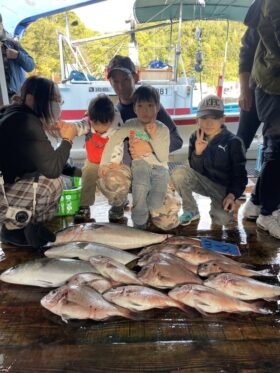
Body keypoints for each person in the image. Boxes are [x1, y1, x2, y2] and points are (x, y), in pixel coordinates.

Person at [99, 55, 183, 228]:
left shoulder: (151, 107)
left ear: (135, 77)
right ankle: (119, 203)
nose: (120, 86)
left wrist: (150, 147)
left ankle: (147, 205)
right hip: (128, 171)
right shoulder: (111, 110)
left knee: (168, 221)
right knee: (108, 179)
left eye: (125, 79)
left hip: (153, 169)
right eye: (115, 81)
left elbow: (177, 140)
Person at [0, 76, 78, 249]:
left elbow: (45, 158)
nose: (57, 105)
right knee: (52, 183)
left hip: (8, 188)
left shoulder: (20, 116)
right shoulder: (24, 121)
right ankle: (12, 228)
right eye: (53, 100)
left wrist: (81, 173)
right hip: (4, 194)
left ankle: (30, 226)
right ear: (31, 98)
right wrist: (68, 140)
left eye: (59, 100)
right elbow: (52, 169)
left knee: (56, 178)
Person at [171, 94, 247, 226]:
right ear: (197, 120)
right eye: (204, 117)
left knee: (222, 220)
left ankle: (224, 206)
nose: (209, 123)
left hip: (223, 188)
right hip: (203, 182)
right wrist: (198, 153)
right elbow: (195, 170)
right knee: (178, 172)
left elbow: (240, 175)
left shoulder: (234, 142)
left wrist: (232, 195)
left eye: (215, 118)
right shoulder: (196, 136)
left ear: (223, 119)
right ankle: (191, 210)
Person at [243, 0, 280, 239]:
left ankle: (256, 202)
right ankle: (269, 212)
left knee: (274, 148)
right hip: (270, 84)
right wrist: (244, 87)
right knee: (277, 148)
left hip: (269, 83)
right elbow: (248, 47)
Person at [73, 94, 123, 223]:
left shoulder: (116, 128)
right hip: (93, 161)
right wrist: (70, 128)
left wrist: (110, 165)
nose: (99, 128)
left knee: (115, 181)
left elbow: (118, 151)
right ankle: (84, 206)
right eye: (95, 123)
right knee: (87, 175)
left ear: (111, 120)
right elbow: (79, 126)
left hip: (111, 163)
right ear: (91, 118)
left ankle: (117, 206)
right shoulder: (88, 122)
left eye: (104, 124)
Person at [237, 26, 262, 151]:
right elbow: (246, 55)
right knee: (241, 142)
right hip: (255, 90)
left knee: (274, 144)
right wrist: (244, 90)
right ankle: (233, 170)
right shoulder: (262, 11)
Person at [0, 13, 35, 100]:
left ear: (1, 25)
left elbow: (30, 66)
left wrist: (17, 55)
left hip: (14, 96)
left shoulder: (12, 44)